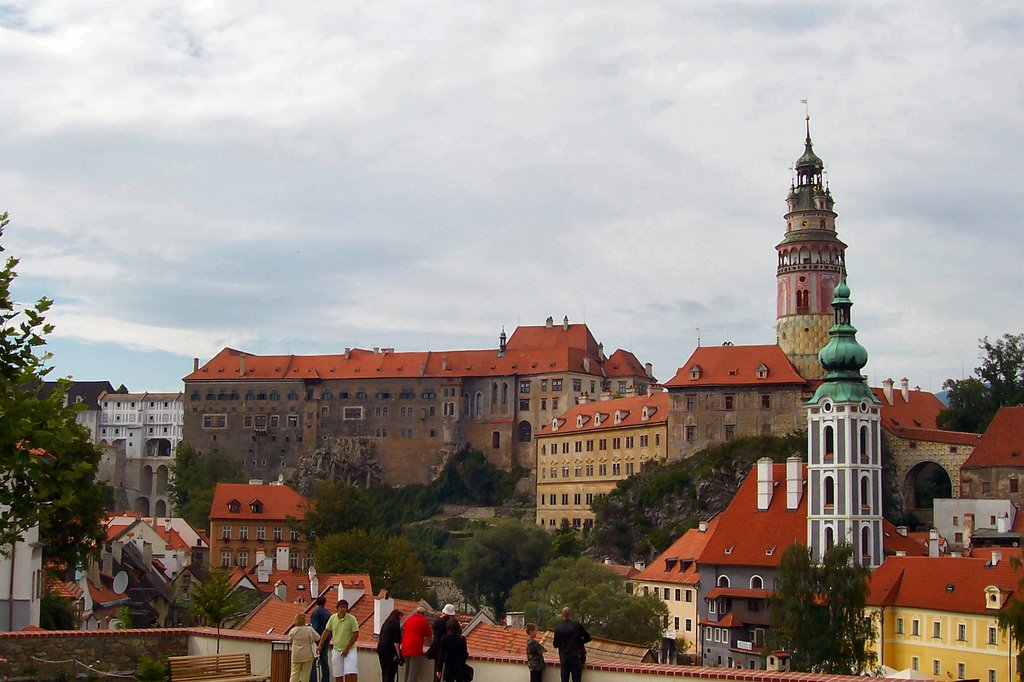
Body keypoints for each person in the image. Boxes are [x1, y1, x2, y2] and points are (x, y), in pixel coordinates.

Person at [317, 599, 360, 682]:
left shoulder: (352, 619)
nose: (342, 609)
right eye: (341, 607)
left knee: (350, 672)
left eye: (344, 607)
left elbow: (356, 634)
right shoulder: (333, 618)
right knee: (338, 673)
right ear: (337, 608)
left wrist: (347, 648)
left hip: (350, 649)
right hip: (337, 649)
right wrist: (320, 644)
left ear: (347, 609)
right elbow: (326, 631)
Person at [552, 607, 590, 682]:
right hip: (576, 657)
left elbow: (555, 644)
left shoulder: (558, 628)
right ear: (571, 615)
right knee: (576, 679)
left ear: (562, 615)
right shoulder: (577, 626)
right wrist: (579, 642)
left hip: (564, 657)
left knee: (564, 679)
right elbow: (588, 638)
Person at [400, 605, 433, 682]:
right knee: (413, 672)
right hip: (415, 649)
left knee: (408, 671)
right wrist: (432, 645)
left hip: (405, 648)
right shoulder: (423, 621)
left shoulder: (409, 619)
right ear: (424, 614)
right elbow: (429, 635)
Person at [437, 617, 471, 682]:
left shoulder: (445, 638)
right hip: (459, 667)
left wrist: (439, 669)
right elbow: (465, 653)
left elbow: (441, 655)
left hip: (449, 667)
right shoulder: (462, 639)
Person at [427, 604, 455, 681]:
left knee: (437, 670)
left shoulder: (439, 621)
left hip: (438, 647)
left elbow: (433, 627)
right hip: (450, 649)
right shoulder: (452, 622)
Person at [289, 612, 320, 682]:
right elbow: (317, 637)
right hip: (308, 655)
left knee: (294, 674)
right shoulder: (309, 629)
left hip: (296, 655)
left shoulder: (293, 630)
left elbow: (289, 639)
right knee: (306, 675)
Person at [377, 608, 404, 682]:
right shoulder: (395, 625)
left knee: (385, 671)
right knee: (390, 673)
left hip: (381, 649)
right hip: (390, 651)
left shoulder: (385, 623)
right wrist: (398, 654)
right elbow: (396, 641)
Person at [310, 596, 332, 682]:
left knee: (313, 661)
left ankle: (313, 680)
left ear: (316, 603)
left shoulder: (316, 613)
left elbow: (314, 628)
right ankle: (325, 680)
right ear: (325, 603)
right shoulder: (329, 614)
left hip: (318, 639)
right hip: (327, 639)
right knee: (324, 660)